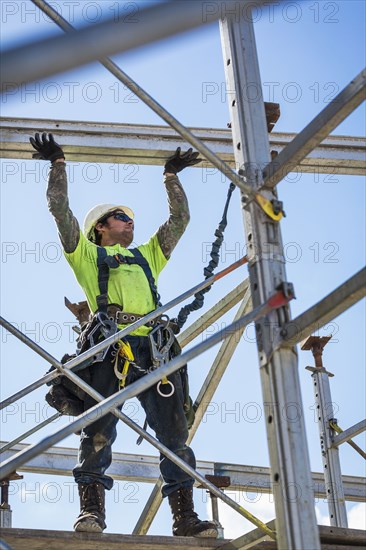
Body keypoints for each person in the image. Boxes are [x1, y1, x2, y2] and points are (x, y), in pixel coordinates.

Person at [29, 132, 218, 538]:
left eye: (130, 218)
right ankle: (92, 513)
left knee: (174, 437)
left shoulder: (146, 256)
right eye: (120, 217)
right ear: (99, 228)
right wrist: (57, 163)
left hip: (153, 349)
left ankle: (185, 518)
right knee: (97, 431)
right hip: (109, 348)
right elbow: (60, 211)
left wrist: (171, 176)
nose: (130, 222)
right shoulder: (87, 254)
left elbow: (179, 221)